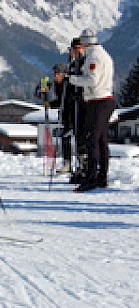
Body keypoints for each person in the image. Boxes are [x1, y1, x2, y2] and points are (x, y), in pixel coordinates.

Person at [69, 29, 116, 192]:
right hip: (106, 99)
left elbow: (92, 80)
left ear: (85, 42)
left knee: (92, 139)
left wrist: (72, 79)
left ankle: (91, 178)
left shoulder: (93, 57)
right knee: (101, 141)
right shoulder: (104, 55)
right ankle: (101, 176)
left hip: (98, 101)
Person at [68, 37, 88, 184]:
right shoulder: (73, 64)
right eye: (74, 49)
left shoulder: (86, 62)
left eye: (78, 49)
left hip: (85, 104)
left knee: (84, 136)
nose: (76, 52)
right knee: (78, 136)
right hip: (74, 105)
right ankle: (80, 167)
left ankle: (86, 168)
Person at [50, 63, 72, 173]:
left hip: (72, 115)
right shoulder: (57, 85)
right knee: (65, 139)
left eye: (58, 74)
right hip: (64, 115)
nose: (55, 76)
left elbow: (68, 101)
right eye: (54, 74)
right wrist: (50, 104)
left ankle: (79, 163)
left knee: (70, 138)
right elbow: (60, 101)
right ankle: (67, 163)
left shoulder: (69, 84)